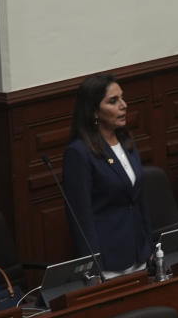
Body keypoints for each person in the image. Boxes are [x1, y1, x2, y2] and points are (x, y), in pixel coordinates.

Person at [62, 73, 151, 275]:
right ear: (94, 111)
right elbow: (81, 218)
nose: (124, 105)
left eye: (122, 98)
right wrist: (94, 268)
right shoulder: (79, 153)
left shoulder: (126, 142)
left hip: (139, 254)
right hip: (109, 262)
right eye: (113, 101)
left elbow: (138, 201)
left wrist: (149, 246)